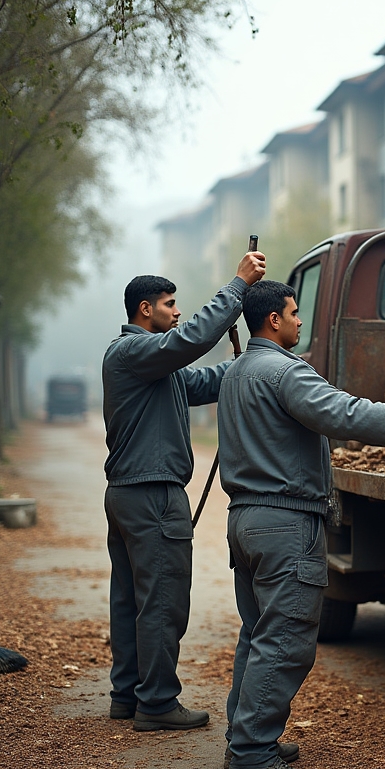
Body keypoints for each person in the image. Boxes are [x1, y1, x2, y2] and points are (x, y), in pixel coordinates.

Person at [217, 280, 385, 769]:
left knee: (258, 633)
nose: (298, 321)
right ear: (273, 320)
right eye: (294, 313)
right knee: (286, 641)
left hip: (246, 521)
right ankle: (251, 755)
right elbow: (350, 415)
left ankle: (245, 737)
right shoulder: (283, 372)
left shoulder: (237, 371)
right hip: (285, 523)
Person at [103, 251, 266, 731]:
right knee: (162, 602)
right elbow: (192, 340)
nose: (176, 312)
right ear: (144, 310)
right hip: (152, 496)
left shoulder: (154, 366)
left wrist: (257, 363)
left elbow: (201, 379)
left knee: (132, 599)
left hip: (132, 494)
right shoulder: (134, 352)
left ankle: (127, 695)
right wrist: (237, 287)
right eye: (169, 304)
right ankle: (155, 704)